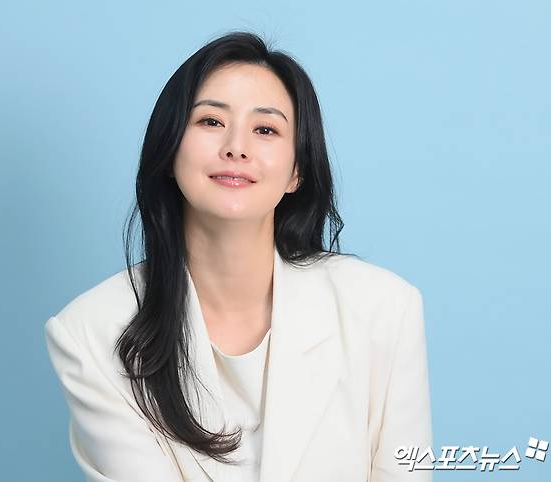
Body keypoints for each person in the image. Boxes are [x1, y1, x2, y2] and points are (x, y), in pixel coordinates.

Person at [44, 31, 432, 482]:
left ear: (297, 170)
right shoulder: (90, 334)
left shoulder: (385, 310)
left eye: (265, 129)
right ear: (170, 150)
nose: (236, 147)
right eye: (211, 121)